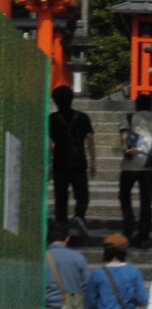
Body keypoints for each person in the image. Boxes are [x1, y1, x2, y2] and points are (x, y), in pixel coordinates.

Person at [118, 94, 152, 248]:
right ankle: (143, 236)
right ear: (151, 105)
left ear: (136, 105)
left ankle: (129, 223)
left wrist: (126, 149)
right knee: (146, 202)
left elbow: (124, 136)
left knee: (124, 195)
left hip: (129, 166)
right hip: (148, 167)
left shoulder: (128, 117)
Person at [48, 84, 96, 230]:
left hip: (60, 161)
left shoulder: (52, 119)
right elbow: (89, 139)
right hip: (79, 160)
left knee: (60, 195)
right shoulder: (83, 117)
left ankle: (61, 224)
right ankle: (79, 216)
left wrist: (49, 161)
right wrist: (93, 160)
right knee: (82, 193)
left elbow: (48, 143)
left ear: (55, 101)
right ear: (72, 99)